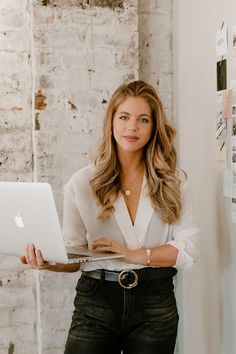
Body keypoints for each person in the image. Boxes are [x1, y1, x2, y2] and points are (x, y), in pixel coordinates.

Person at [20, 80, 199, 354]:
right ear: (111, 121)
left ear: (154, 127)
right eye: (124, 117)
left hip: (155, 302)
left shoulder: (174, 183)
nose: (132, 128)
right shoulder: (81, 183)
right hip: (96, 303)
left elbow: (189, 249)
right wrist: (49, 262)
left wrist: (133, 255)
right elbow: (74, 256)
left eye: (143, 120)